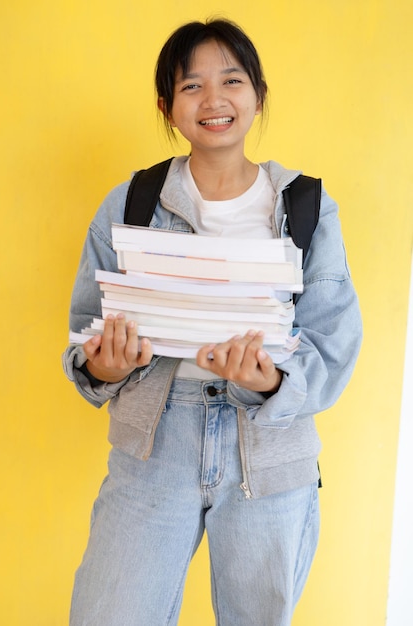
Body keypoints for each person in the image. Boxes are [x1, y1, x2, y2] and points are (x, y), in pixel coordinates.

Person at [62, 18, 362, 626]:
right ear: (167, 106)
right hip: (154, 448)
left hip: (271, 454)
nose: (214, 99)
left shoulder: (306, 206)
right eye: (191, 86)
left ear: (257, 92)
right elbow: (86, 332)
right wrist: (104, 363)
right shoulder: (130, 203)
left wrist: (270, 381)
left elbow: (334, 346)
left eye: (231, 80)